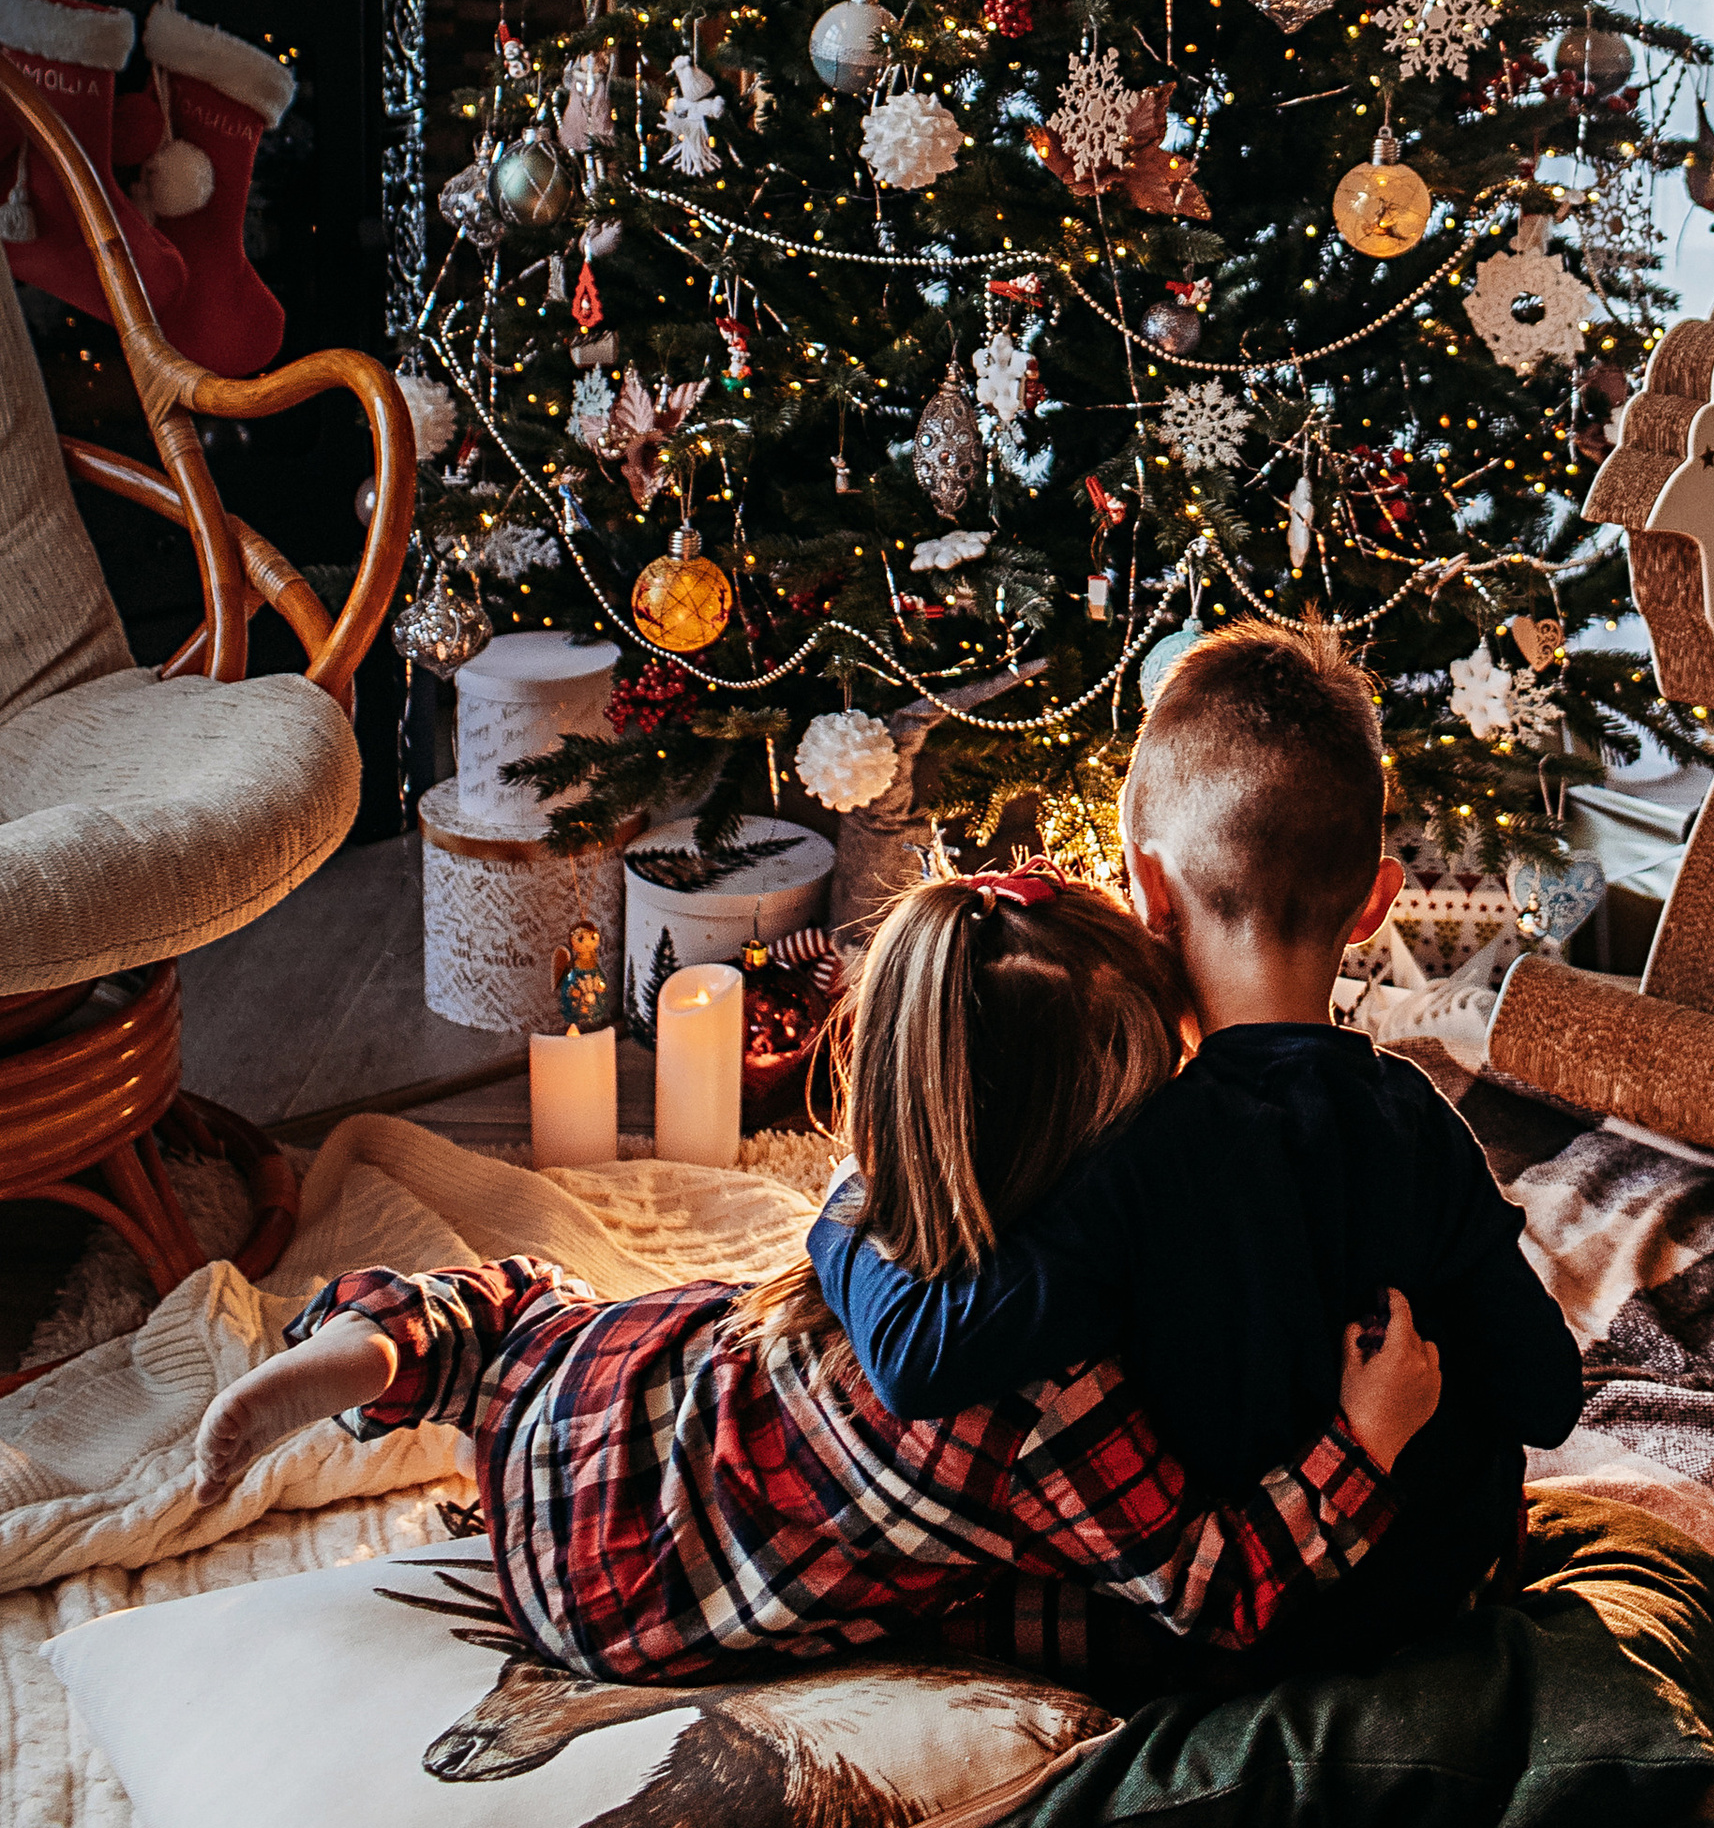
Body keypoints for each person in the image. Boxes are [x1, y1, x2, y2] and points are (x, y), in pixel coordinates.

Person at [189, 875, 1442, 1688]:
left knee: (530, 1311)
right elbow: (1213, 1587)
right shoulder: (1049, 1391)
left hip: (591, 1418)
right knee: (1069, 1615)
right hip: (628, 1599)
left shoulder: (880, 1201)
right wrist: (1362, 1443)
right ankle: (404, 1356)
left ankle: (378, 1349)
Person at [812, 625, 1587, 1673]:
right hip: (1444, 1587)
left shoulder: (1128, 1151)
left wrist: (849, 1197)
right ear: (1372, 902)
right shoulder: (1415, 1119)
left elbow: (918, 1357)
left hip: (1251, 1622)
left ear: (1148, 890)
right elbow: (1545, 1393)